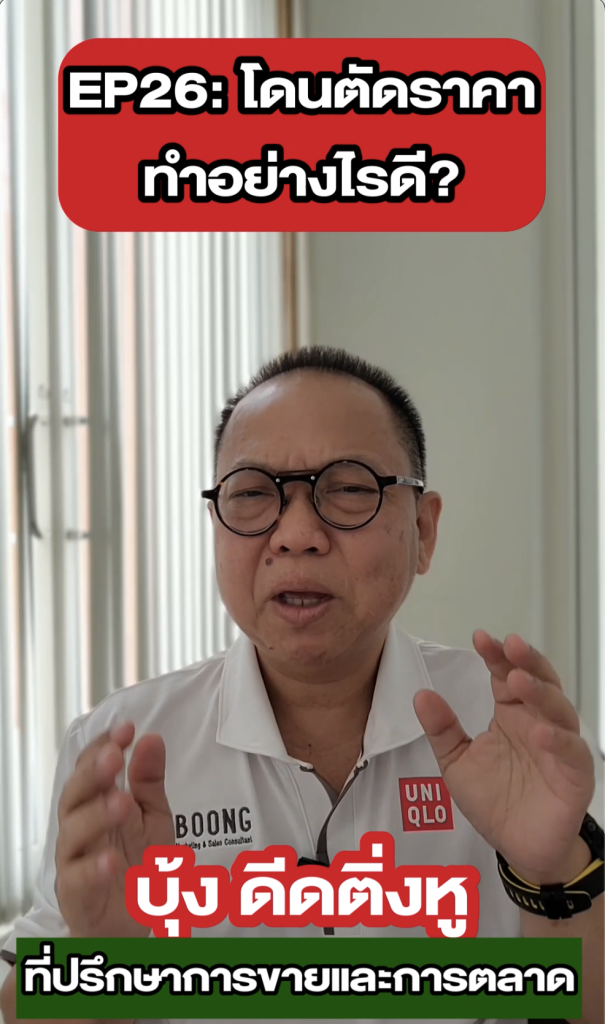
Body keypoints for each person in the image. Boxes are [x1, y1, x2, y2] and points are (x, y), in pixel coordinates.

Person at [1, 346, 603, 1024]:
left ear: (423, 530)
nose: (296, 535)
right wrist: (101, 958)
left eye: (348, 489)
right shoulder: (127, 749)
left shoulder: (514, 733)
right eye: (253, 494)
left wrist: (555, 873)